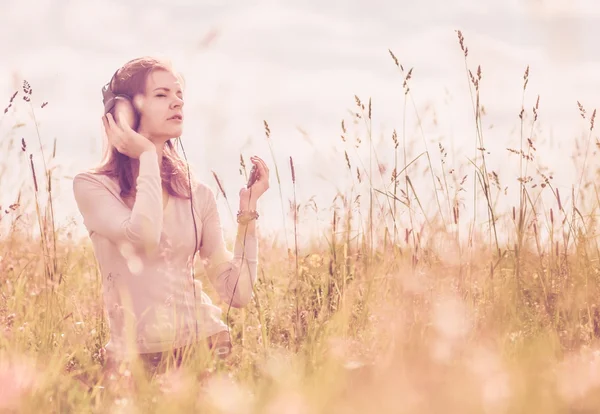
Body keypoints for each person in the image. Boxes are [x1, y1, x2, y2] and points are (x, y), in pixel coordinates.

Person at [72, 56, 269, 375]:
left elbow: (237, 293)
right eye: (162, 95)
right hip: (132, 360)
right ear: (125, 110)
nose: (176, 102)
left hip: (204, 345)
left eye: (179, 94)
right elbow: (143, 236)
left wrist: (248, 212)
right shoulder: (93, 186)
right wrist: (148, 156)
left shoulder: (197, 194)